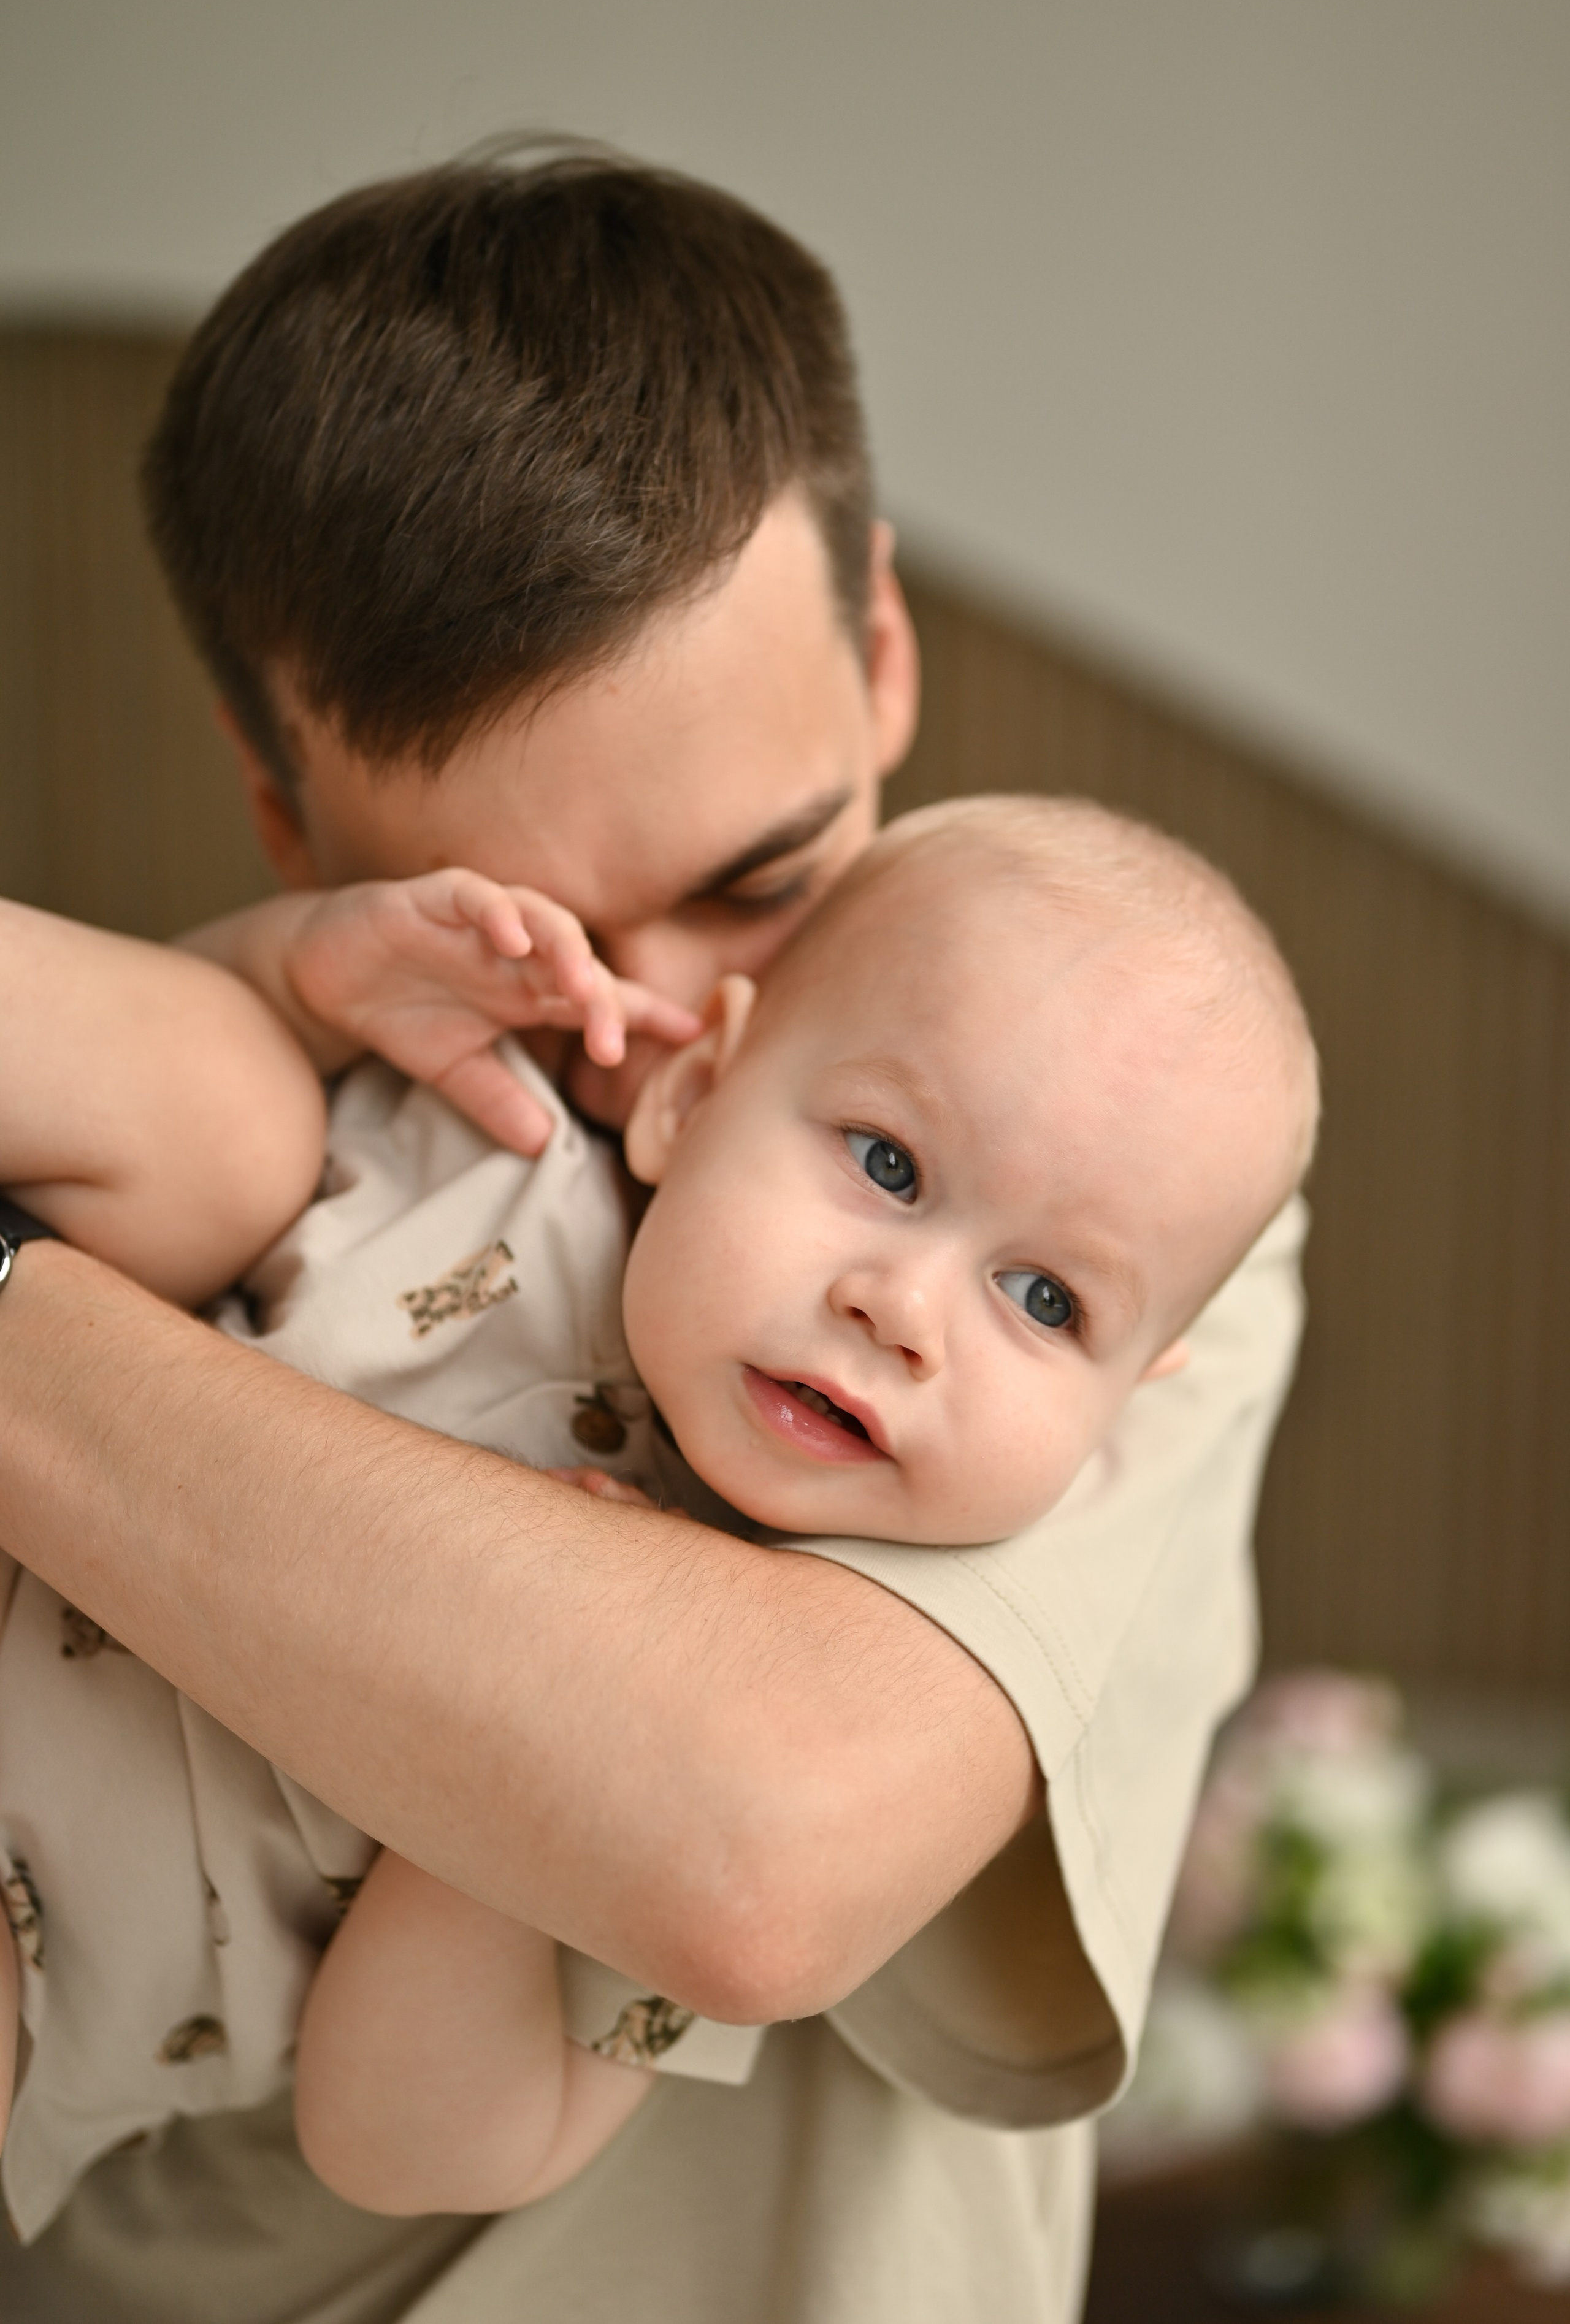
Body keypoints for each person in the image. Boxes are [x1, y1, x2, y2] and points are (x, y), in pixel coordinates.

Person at [0, 150, 1309, 2323]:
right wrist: (275, 984)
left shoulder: (1117, 1195)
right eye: (534, 946)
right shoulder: (302, 1103)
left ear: (879, 646)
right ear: (286, 808)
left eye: (760, 885)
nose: (656, 1032)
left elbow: (750, 1845)